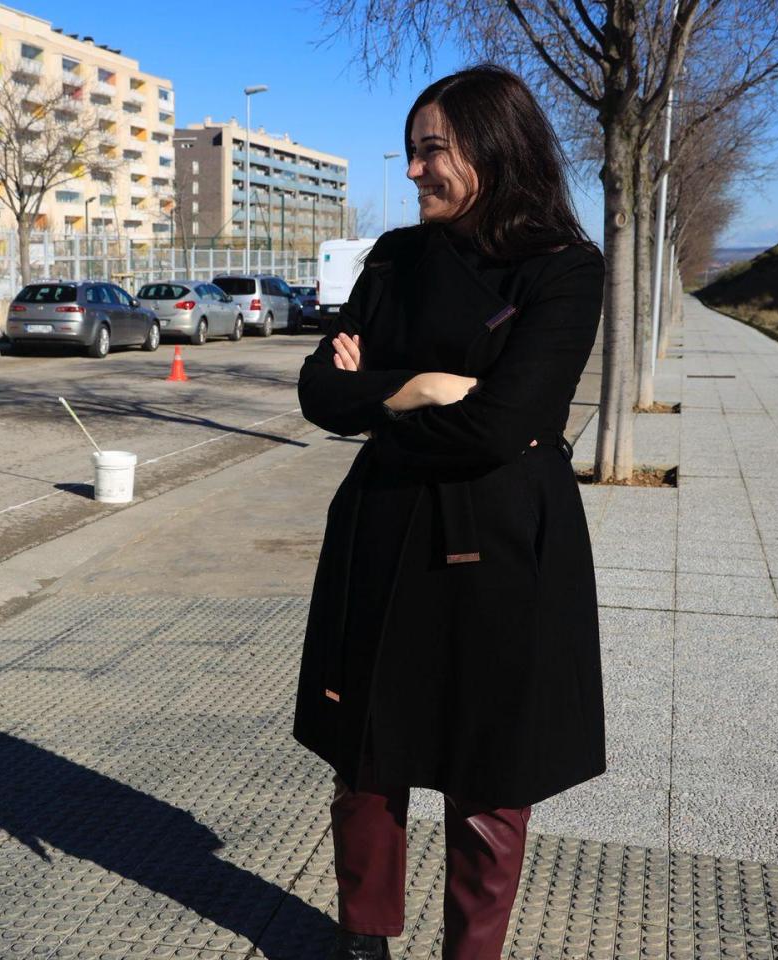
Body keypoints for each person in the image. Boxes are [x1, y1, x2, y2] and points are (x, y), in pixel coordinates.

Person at [295, 66, 607, 960]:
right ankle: (364, 942)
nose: (414, 171)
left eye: (433, 150)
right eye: (412, 152)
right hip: (383, 533)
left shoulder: (562, 268)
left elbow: (508, 423)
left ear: (495, 150)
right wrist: (419, 388)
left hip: (502, 546)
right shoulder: (394, 255)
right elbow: (321, 390)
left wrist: (377, 398)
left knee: (490, 774)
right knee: (366, 757)